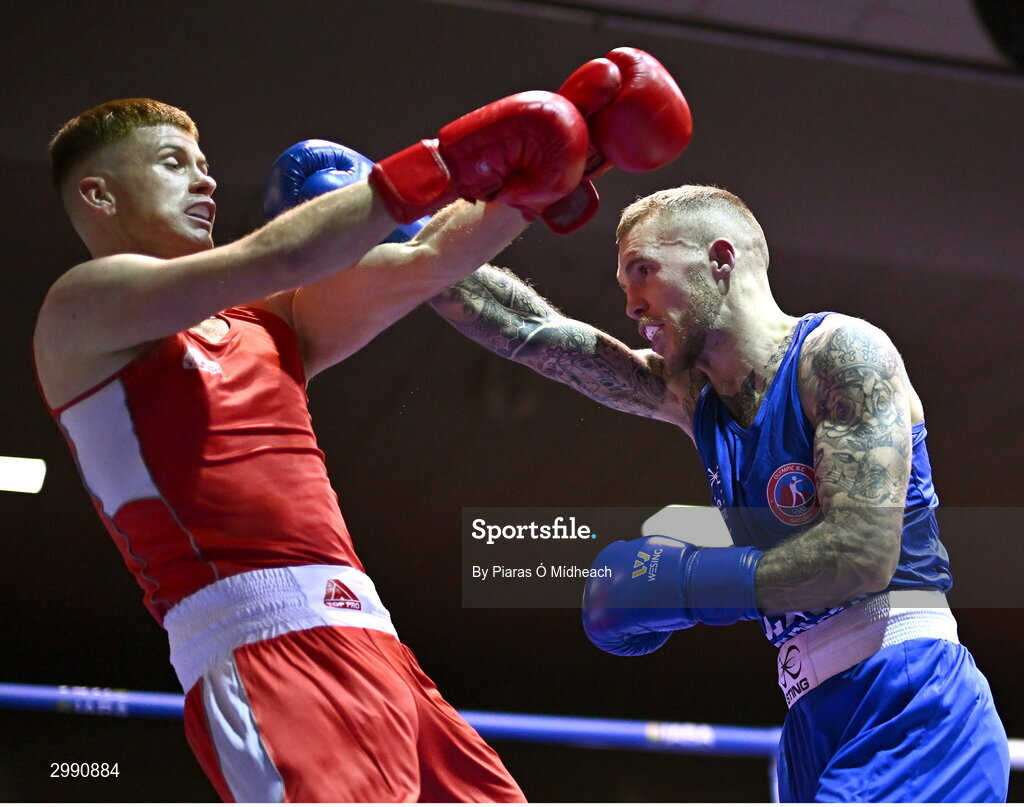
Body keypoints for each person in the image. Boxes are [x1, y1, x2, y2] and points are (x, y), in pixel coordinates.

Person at [34, 47, 692, 802]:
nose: (206, 179)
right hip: (263, 653)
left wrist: (567, 159)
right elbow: (276, 252)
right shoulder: (81, 312)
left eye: (203, 161)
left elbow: (429, 260)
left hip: (376, 644)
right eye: (173, 162)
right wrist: (450, 160)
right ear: (100, 194)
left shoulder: (268, 320)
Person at [428, 184, 1011, 802]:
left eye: (643, 271)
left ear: (720, 260)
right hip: (811, 717)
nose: (630, 303)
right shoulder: (696, 400)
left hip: (909, 703)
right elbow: (531, 330)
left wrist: (685, 587)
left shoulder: (840, 356)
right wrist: (403, 239)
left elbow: (859, 556)